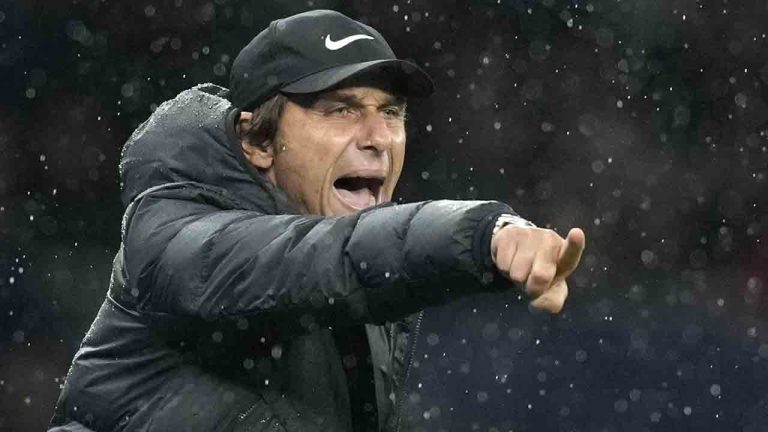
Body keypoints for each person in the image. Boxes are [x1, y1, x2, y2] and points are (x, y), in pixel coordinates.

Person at [48, 9, 585, 432]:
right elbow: (321, 259)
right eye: (341, 109)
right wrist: (479, 235)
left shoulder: (375, 282)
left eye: (392, 112)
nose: (379, 137)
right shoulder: (173, 234)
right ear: (258, 140)